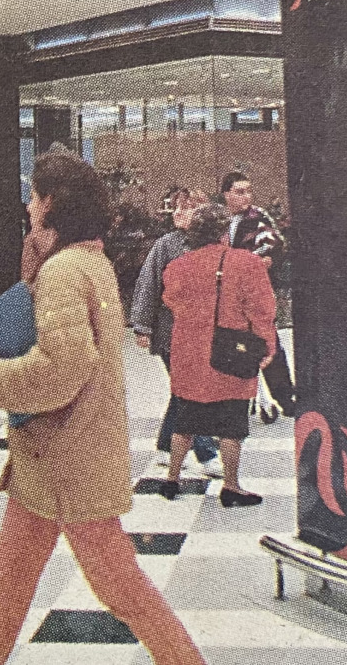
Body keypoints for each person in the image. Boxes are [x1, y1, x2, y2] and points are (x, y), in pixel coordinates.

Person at [0, 152, 205, 665]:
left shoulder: (66, 270)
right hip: (59, 459)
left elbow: (64, 367)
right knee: (9, 583)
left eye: (34, 197)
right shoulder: (90, 261)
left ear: (52, 202)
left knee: (119, 588)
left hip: (66, 461)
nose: (28, 207)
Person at [161, 203, 276, 507]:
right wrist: (266, 345)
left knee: (185, 418)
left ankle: (172, 479)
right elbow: (261, 309)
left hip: (189, 351)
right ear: (224, 232)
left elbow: (170, 299)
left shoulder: (178, 266)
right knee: (232, 422)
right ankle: (231, 486)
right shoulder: (247, 264)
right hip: (231, 352)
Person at [131, 188, 223, 479]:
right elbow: (148, 285)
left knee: (182, 390)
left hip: (203, 332)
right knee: (192, 390)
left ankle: (165, 447)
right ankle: (206, 453)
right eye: (176, 208)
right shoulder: (166, 245)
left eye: (187, 208)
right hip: (171, 333)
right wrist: (142, 326)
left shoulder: (213, 245)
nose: (178, 213)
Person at [222, 171, 296, 418]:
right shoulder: (220, 219)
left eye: (248, 191)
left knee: (267, 340)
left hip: (255, 292)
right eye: (239, 192)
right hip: (230, 294)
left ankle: (285, 397)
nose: (246, 196)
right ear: (226, 194)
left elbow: (275, 245)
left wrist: (262, 261)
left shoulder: (258, 217)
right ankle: (240, 399)